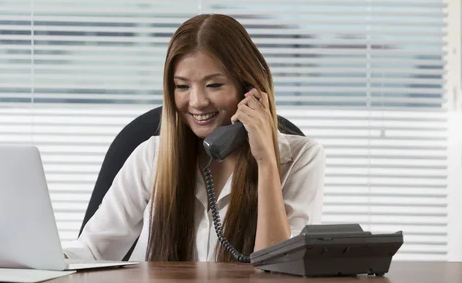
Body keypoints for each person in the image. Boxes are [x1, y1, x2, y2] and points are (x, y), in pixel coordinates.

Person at [63, 14, 325, 262]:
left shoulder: (302, 158)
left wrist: (266, 160)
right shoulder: (152, 156)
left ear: (249, 89)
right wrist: (38, 261)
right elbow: (93, 249)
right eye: (182, 87)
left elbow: (280, 268)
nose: (197, 102)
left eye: (214, 85)